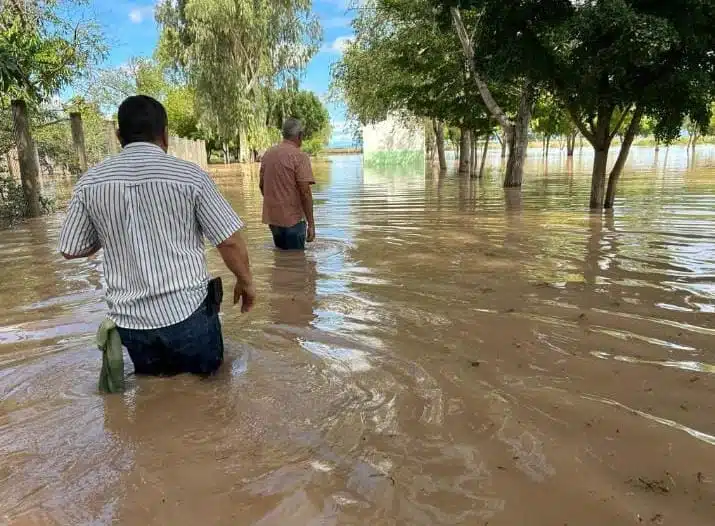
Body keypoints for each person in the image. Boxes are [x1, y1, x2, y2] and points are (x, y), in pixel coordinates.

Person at [58, 95, 256, 377]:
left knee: (154, 393)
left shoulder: (90, 182)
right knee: (211, 399)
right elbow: (229, 240)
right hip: (187, 313)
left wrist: (112, 227)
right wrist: (247, 283)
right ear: (165, 134)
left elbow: (71, 247)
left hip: (130, 322)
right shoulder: (190, 177)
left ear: (118, 136)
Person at [260, 117, 316, 250]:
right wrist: (311, 224)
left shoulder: (268, 154)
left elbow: (262, 186)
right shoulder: (300, 156)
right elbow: (305, 192)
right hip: (294, 221)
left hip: (273, 221)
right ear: (300, 135)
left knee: (281, 259)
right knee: (296, 263)